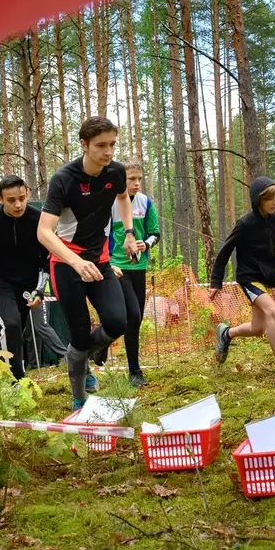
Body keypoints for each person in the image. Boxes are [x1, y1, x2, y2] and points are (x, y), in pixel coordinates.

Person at [37, 117, 139, 409]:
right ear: (84, 144)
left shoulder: (116, 171)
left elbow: (122, 198)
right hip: (67, 264)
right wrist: (76, 261)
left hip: (101, 262)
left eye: (112, 145)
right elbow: (44, 232)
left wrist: (129, 233)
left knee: (118, 321)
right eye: (101, 146)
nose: (108, 152)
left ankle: (77, 355)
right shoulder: (64, 179)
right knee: (80, 334)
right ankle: (79, 398)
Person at [209, 178, 275, 376]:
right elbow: (225, 250)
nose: (274, 202)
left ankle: (226, 333)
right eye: (269, 199)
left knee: (258, 329)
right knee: (273, 312)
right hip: (248, 278)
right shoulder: (245, 223)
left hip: (266, 278)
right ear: (258, 200)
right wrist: (216, 282)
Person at [0, 175, 60, 380]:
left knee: (18, 329)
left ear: (27, 195)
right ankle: (15, 380)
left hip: (28, 282)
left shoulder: (38, 219)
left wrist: (40, 289)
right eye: (11, 200)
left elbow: (47, 257)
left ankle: (10, 369)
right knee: (11, 324)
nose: (18, 204)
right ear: (0, 199)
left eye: (22, 198)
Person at [91, 156, 160, 387]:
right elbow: (100, 234)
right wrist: (107, 263)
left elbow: (154, 232)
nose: (137, 183)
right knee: (132, 315)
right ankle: (135, 371)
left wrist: (146, 244)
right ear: (122, 179)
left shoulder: (145, 202)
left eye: (139, 179)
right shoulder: (110, 202)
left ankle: (104, 346)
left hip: (138, 266)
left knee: (135, 320)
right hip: (115, 268)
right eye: (132, 179)